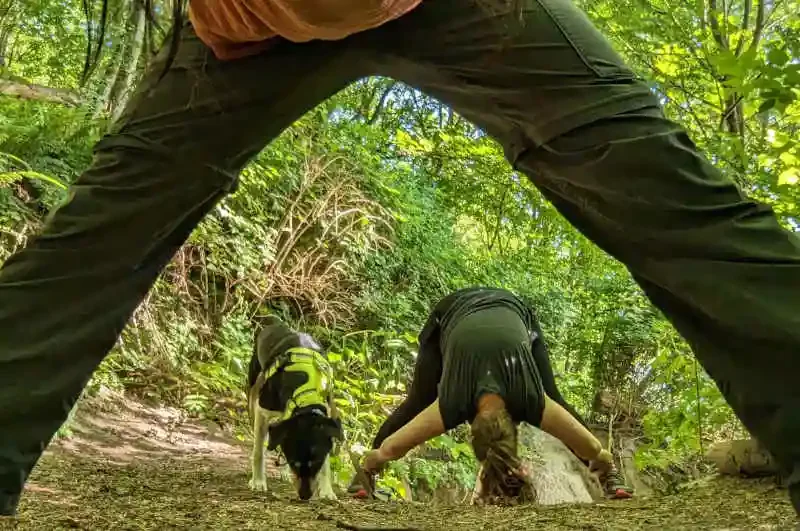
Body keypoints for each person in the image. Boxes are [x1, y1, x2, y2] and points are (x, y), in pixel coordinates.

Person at [1, 0, 799, 517]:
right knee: (676, 204)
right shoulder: (498, 397)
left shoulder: (474, 398)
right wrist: (609, 472)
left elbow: (420, 417)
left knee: (97, 242)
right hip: (253, 24)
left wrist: (368, 468)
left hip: (410, 22)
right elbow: (552, 418)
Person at [351, 287, 631, 501]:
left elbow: (388, 450)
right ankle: (611, 479)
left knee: (417, 403)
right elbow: (593, 450)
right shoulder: (456, 405)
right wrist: (603, 462)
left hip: (500, 310)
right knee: (553, 397)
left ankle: (363, 479)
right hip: (464, 312)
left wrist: (373, 461)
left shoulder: (526, 401)